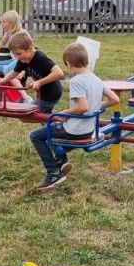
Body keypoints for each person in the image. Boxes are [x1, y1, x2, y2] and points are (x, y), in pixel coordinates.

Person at [30, 42, 119, 192]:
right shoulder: (96, 79)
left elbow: (82, 107)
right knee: (52, 128)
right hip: (89, 129)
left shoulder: (76, 80)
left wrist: (66, 112)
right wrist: (96, 105)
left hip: (74, 130)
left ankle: (53, 172)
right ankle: (61, 161)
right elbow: (115, 99)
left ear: (68, 63)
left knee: (36, 136)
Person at [0, 30, 64, 113]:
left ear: (29, 49)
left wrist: (40, 82)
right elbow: (14, 72)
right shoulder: (23, 60)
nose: (17, 57)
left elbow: (59, 73)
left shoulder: (40, 58)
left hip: (52, 93)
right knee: (43, 115)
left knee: (28, 113)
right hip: (42, 94)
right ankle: (55, 120)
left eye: (19, 54)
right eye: (15, 54)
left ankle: (60, 117)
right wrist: (3, 80)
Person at [0, 10, 32, 103]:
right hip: (14, 60)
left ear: (11, 22)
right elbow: (2, 43)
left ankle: (26, 97)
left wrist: (23, 70)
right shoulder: (8, 33)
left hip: (21, 60)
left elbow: (29, 52)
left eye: (3, 22)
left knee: (7, 71)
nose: (2, 24)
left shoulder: (22, 34)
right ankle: (14, 71)